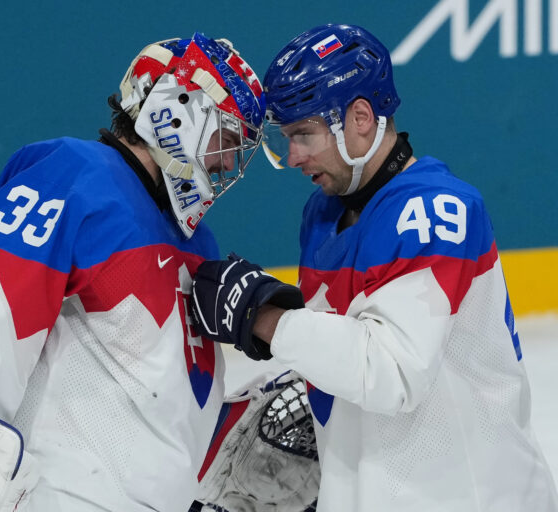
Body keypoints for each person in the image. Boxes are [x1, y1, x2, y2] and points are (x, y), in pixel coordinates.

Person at [0, 32, 265, 512]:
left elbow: (163, 406)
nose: (228, 162)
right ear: (176, 110)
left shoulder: (196, 243)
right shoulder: (75, 177)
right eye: (225, 138)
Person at [188, 24, 558, 511]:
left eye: (303, 134)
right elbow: (351, 354)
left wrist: (262, 317)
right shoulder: (322, 215)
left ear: (360, 117)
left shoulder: (435, 209)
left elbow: (391, 370)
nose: (293, 156)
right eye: (287, 138)